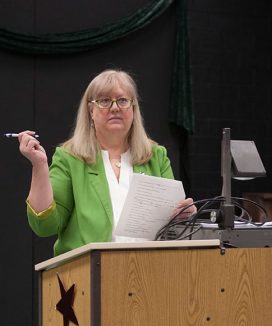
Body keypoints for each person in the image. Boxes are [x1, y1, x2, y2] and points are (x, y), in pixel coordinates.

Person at [18, 69, 196, 256]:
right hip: (88, 273)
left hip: (149, 270)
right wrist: (39, 166)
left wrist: (183, 217)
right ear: (90, 111)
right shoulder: (70, 158)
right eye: (104, 101)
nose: (115, 107)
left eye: (122, 100)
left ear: (133, 109)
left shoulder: (156, 157)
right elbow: (44, 225)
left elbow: (173, 228)